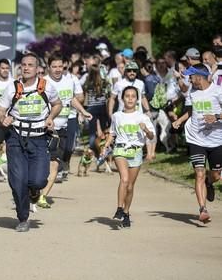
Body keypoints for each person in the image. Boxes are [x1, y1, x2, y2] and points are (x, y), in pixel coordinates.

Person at [0, 53, 62, 232]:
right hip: (16, 137)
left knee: (39, 180)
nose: (26, 68)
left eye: (30, 65)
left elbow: (57, 104)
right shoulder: (13, 88)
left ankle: (34, 191)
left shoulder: (46, 87)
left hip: (39, 139)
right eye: (23, 65)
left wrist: (50, 117)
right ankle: (23, 217)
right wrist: (3, 119)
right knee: (17, 181)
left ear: (38, 69)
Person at [37, 55, 91, 209]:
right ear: (48, 67)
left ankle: (42, 196)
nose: (58, 69)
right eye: (54, 66)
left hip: (63, 128)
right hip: (45, 128)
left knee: (55, 164)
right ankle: (34, 188)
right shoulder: (43, 83)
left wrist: (82, 110)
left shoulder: (69, 80)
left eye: (60, 66)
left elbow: (71, 98)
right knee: (41, 163)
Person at [172, 64, 222, 224]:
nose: (189, 79)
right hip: (196, 139)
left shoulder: (218, 91)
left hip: (216, 141)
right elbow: (191, 110)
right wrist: (180, 120)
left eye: (191, 76)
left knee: (215, 175)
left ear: (199, 77)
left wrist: (216, 117)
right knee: (199, 173)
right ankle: (203, 209)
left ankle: (209, 182)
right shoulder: (192, 92)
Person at [101, 86, 155, 228]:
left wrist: (145, 129)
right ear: (122, 98)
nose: (130, 98)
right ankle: (119, 209)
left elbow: (151, 137)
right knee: (124, 179)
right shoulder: (117, 116)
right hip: (120, 150)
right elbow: (112, 133)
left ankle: (126, 212)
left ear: (137, 99)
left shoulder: (142, 117)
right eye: (127, 96)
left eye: (133, 96)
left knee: (130, 187)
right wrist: (106, 146)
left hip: (136, 152)